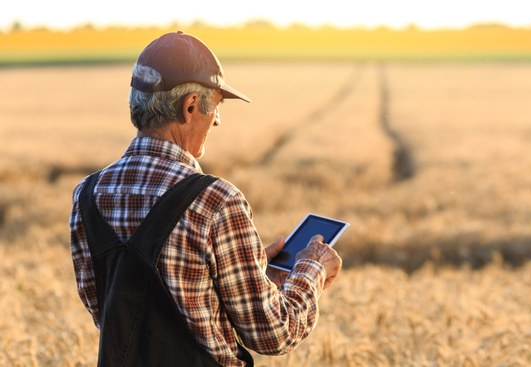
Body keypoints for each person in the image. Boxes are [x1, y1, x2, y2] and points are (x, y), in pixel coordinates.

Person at [69, 31, 342, 366]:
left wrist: (256, 275)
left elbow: (114, 314)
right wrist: (311, 268)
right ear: (190, 106)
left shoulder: (87, 195)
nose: (217, 119)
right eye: (216, 105)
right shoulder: (216, 201)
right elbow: (274, 334)